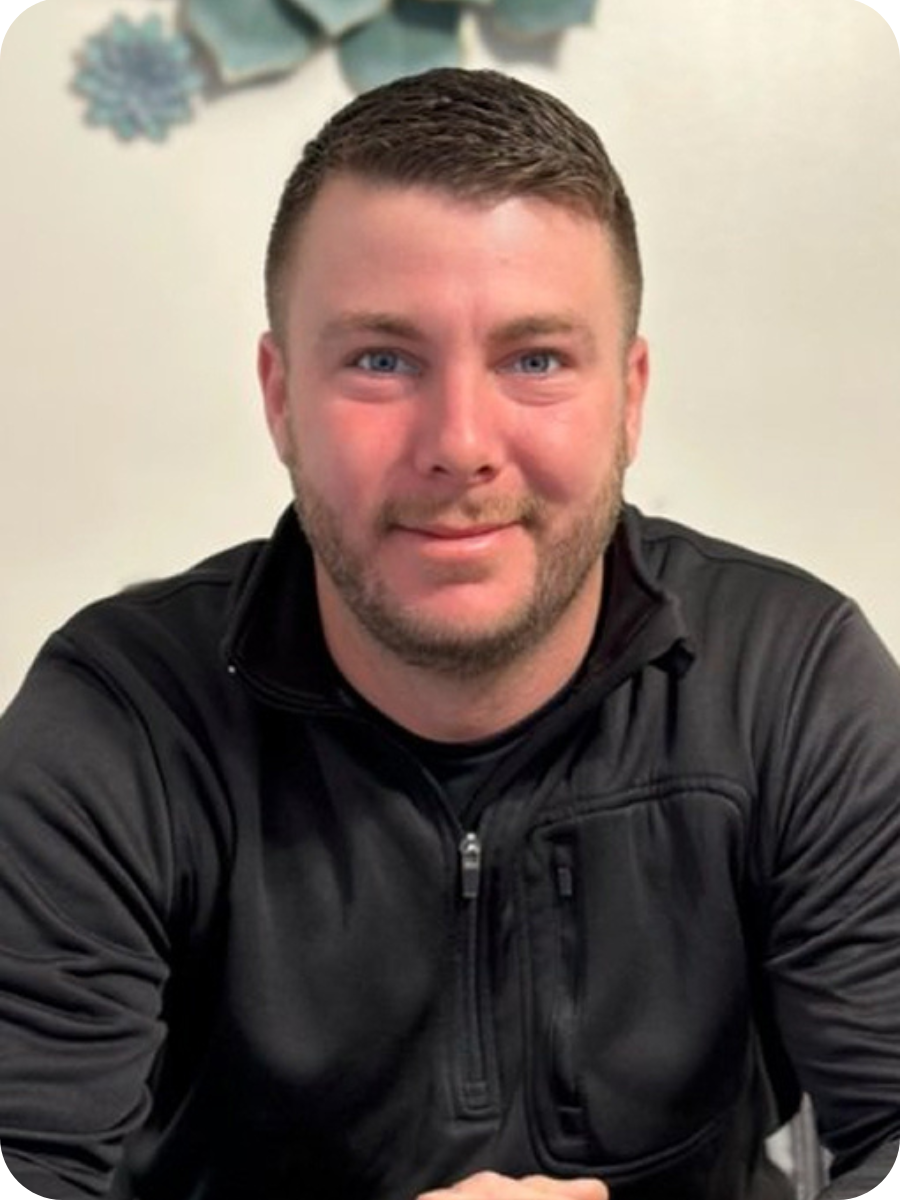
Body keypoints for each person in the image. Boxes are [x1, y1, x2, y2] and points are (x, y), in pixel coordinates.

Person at [0, 67, 898, 1200]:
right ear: (280, 397)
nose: (460, 443)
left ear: (630, 396)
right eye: (382, 360)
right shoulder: (119, 718)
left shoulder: (795, 681)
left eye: (535, 360)